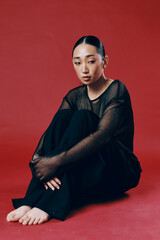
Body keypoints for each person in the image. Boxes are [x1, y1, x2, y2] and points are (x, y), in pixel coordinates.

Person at [6, 35, 142, 225]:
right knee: (64, 117)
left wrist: (54, 162)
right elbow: (52, 131)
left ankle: (48, 204)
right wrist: (37, 161)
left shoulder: (117, 90)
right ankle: (31, 199)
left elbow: (102, 137)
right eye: (77, 63)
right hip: (89, 169)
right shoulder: (74, 96)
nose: (84, 69)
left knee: (83, 117)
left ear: (105, 61)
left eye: (91, 61)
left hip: (118, 171)